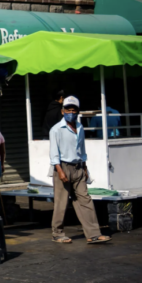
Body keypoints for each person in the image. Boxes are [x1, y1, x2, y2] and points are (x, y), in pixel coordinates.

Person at [48, 96, 111, 244]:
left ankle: (93, 234)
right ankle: (57, 233)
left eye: (73, 110)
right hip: (62, 167)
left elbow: (81, 149)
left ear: (77, 112)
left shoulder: (80, 127)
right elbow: (53, 153)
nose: (71, 112)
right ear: (63, 111)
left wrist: (85, 166)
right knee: (61, 202)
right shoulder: (56, 129)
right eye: (68, 109)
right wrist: (60, 170)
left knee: (85, 200)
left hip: (78, 167)